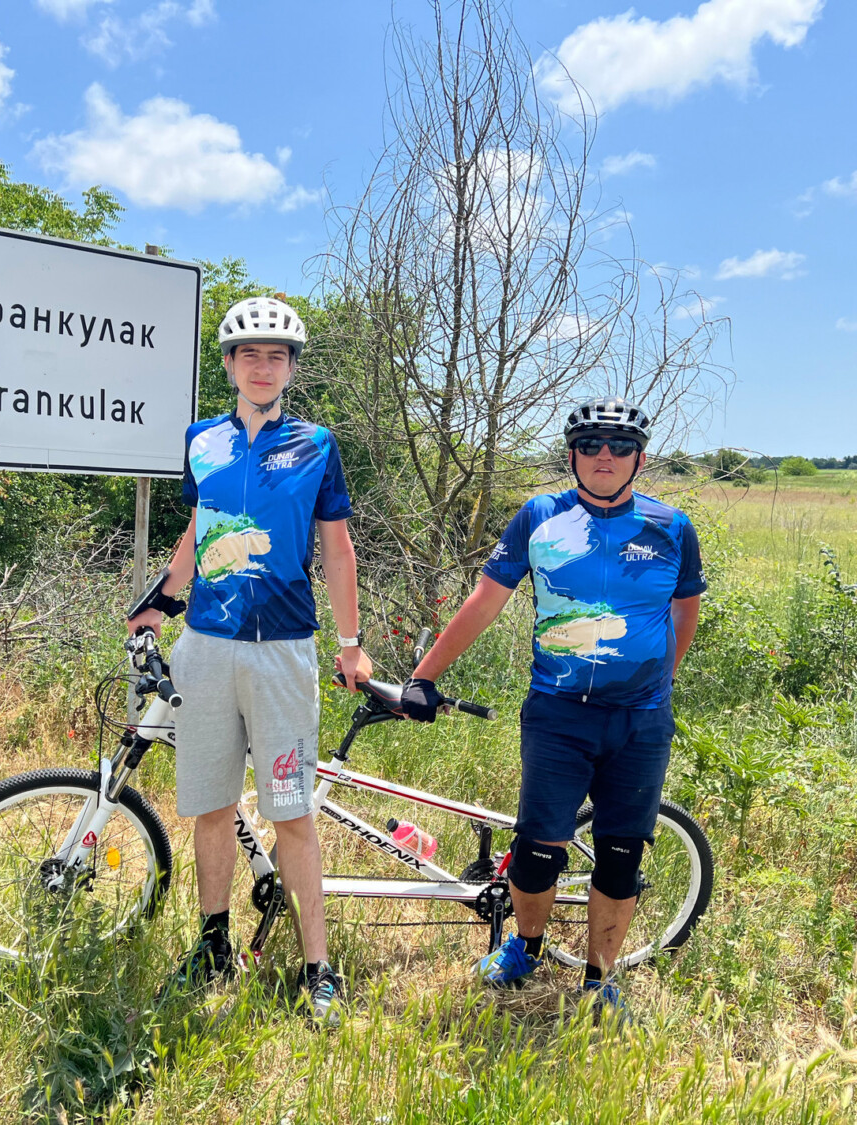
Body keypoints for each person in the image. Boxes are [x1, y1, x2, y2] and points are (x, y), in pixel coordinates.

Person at [399, 396, 704, 1014]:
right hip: (558, 712)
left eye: (619, 447)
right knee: (538, 851)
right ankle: (527, 947)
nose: (605, 457)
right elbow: (484, 601)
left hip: (641, 721)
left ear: (639, 459)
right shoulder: (539, 516)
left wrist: (656, 686)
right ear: (572, 454)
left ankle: (599, 979)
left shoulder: (672, 527)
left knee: (621, 857)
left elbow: (684, 613)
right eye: (591, 445)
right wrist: (423, 676)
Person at [126, 295, 372, 1026]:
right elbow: (198, 531)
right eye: (249, 355)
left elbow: (336, 548)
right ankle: (211, 944)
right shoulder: (201, 439)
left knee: (291, 812)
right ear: (229, 364)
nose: (263, 367)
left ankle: (317, 966)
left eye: (277, 356)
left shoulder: (317, 444)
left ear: (292, 368)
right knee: (209, 804)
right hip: (205, 645)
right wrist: (161, 601)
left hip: (284, 649)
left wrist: (350, 644)